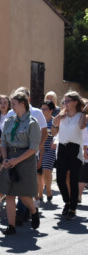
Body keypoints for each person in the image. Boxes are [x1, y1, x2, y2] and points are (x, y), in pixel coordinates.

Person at [0, 92, 41, 235]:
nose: (12, 107)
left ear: (22, 103)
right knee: (9, 194)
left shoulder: (32, 123)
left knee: (23, 194)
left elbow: (33, 148)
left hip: (24, 159)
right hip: (9, 157)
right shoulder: (9, 121)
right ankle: (11, 226)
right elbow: (3, 142)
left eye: (14, 103)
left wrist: (17, 160)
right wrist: (5, 159)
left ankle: (33, 211)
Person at [52, 91, 87, 220]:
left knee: (73, 180)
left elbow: (82, 125)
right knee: (60, 179)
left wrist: (83, 112)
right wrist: (57, 119)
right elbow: (54, 133)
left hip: (75, 149)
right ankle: (67, 201)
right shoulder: (62, 116)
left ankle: (72, 208)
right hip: (62, 148)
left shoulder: (81, 116)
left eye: (68, 101)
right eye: (64, 101)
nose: (65, 103)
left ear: (75, 102)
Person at [38, 100, 57, 202]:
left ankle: (48, 190)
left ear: (51, 110)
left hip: (50, 149)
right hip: (39, 149)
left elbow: (57, 135)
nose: (43, 111)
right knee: (39, 173)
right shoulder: (39, 122)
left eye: (45, 109)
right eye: (42, 109)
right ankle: (40, 193)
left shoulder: (55, 122)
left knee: (46, 170)